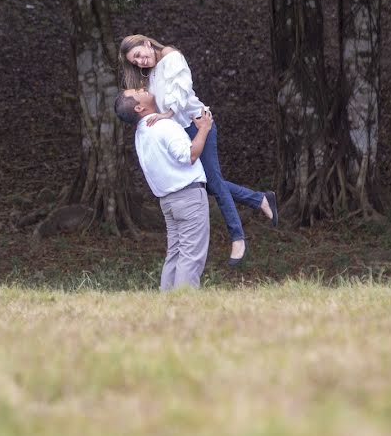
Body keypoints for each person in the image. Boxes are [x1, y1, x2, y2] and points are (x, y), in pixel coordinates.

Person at [119, 34, 277, 266]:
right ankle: (260, 199)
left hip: (198, 124)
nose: (140, 61)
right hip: (183, 131)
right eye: (135, 62)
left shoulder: (171, 57)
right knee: (212, 183)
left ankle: (238, 238)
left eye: (139, 55)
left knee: (214, 181)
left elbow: (183, 90)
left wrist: (167, 114)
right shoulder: (151, 75)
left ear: (146, 43)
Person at [114, 88, 212, 290]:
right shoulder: (164, 126)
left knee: (175, 253)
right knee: (190, 256)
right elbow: (189, 155)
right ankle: (184, 306)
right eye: (137, 91)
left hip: (168, 201)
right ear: (139, 107)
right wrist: (204, 128)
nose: (143, 88)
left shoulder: (141, 134)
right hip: (189, 196)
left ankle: (167, 306)